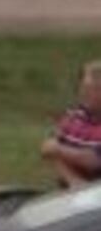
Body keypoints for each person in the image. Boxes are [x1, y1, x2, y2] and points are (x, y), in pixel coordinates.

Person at [41, 60, 101, 188]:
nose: (84, 94)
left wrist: (59, 150)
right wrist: (74, 181)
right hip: (70, 192)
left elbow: (95, 161)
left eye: (92, 89)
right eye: (83, 88)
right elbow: (47, 149)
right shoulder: (73, 116)